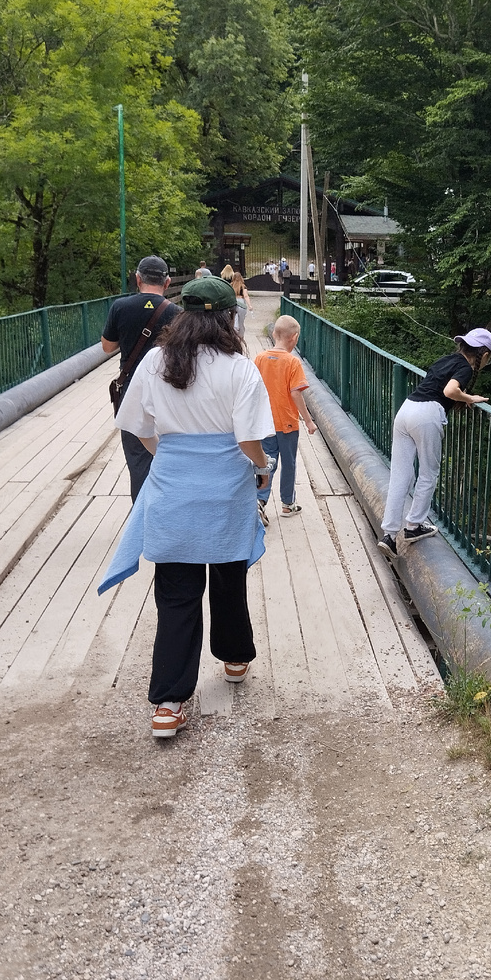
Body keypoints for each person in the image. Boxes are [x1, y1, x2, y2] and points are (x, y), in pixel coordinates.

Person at [98, 276, 276, 739]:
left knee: (176, 592)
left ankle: (169, 703)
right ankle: (234, 658)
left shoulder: (155, 361)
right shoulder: (240, 368)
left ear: (182, 315)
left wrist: (170, 458)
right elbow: (249, 440)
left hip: (173, 487)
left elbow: (138, 428)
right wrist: (263, 469)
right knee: (228, 575)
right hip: (226, 489)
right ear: (228, 318)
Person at [377, 328, 491, 561]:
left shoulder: (446, 360)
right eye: (488, 359)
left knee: (400, 475)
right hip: (427, 415)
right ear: (483, 355)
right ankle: (414, 526)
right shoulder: (465, 367)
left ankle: (389, 535)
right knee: (429, 472)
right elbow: (450, 391)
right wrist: (469, 398)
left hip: (406, 409)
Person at [101, 255, 180, 502]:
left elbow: (107, 347)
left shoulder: (120, 307)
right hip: (166, 392)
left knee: (137, 460)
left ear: (137, 279)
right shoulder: (176, 313)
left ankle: (141, 513)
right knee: (167, 453)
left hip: (131, 392)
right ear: (167, 283)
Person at [253, 314, 316, 523]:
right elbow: (296, 393)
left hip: (265, 423)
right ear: (294, 337)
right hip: (287, 423)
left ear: (274, 333)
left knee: (266, 461)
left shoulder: (260, 358)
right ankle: (288, 504)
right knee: (289, 463)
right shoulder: (292, 362)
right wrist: (308, 420)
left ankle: (260, 501)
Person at [231, 271, 251, 336]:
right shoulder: (243, 286)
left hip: (233, 302)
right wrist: (250, 305)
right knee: (241, 321)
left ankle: (234, 332)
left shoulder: (231, 286)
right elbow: (246, 296)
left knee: (234, 319)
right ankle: (241, 336)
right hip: (241, 303)